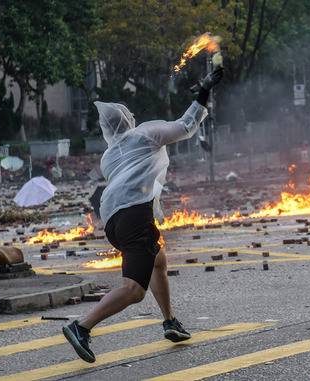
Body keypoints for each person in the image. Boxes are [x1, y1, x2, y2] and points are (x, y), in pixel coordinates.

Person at [62, 66, 224, 363]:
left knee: (157, 260)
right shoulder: (145, 134)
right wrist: (204, 91)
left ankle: (170, 321)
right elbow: (187, 126)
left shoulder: (109, 156)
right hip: (136, 216)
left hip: (113, 220)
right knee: (134, 289)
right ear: (128, 120)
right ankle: (81, 327)